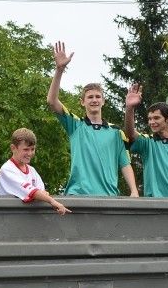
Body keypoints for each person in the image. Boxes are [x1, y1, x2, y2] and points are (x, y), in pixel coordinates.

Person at [47, 41, 139, 197]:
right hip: (78, 196)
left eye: (98, 96)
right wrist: (59, 70)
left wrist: (134, 191)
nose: (94, 100)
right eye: (90, 97)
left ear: (103, 101)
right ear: (82, 102)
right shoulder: (75, 125)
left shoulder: (116, 132)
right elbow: (52, 101)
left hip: (108, 197)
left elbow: (125, 163)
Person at [0, 128, 70, 215]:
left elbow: (42, 194)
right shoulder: (7, 169)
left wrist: (43, 196)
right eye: (26, 149)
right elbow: (33, 193)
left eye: (32, 149)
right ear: (13, 148)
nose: (30, 153)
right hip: (6, 218)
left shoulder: (32, 171)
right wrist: (52, 201)